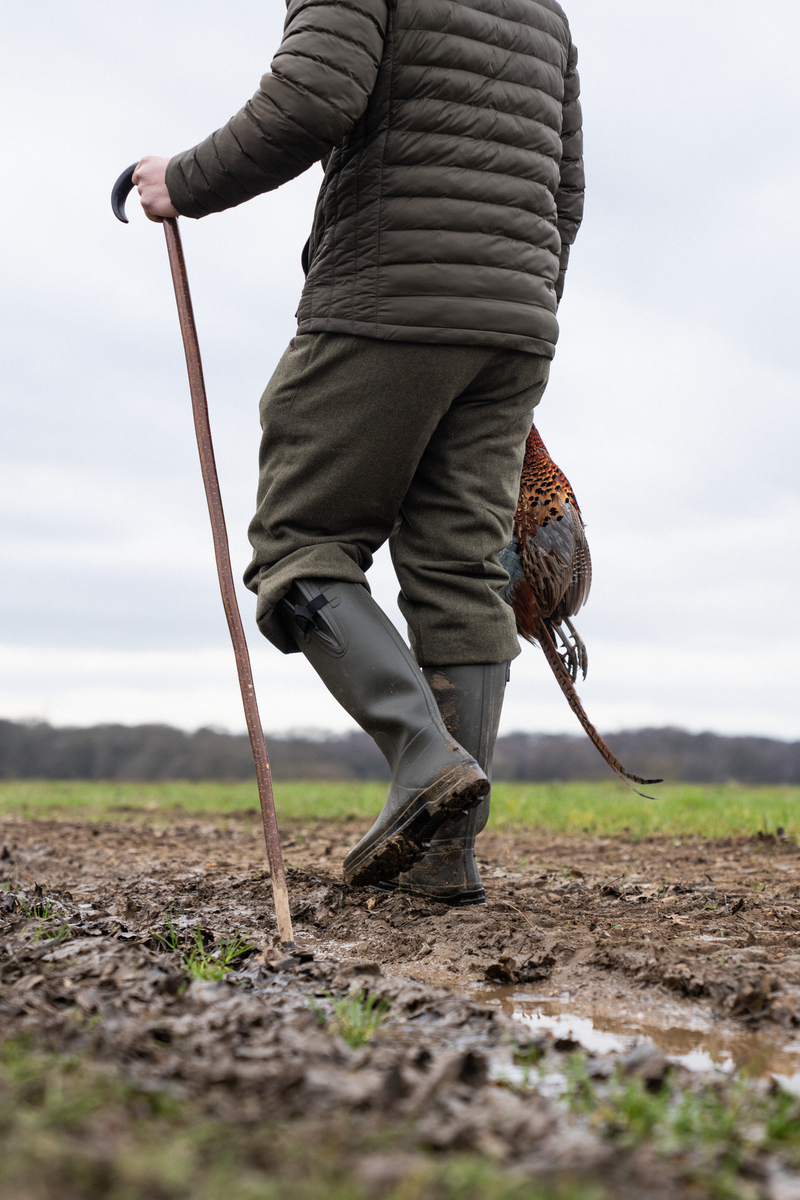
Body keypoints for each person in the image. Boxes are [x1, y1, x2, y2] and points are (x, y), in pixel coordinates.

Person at [133, 0, 584, 906]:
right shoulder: (547, 9)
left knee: (301, 543)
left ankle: (424, 758)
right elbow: (564, 192)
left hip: (387, 296)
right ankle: (441, 854)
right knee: (462, 568)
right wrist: (503, 311)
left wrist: (182, 179)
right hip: (520, 320)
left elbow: (312, 96)